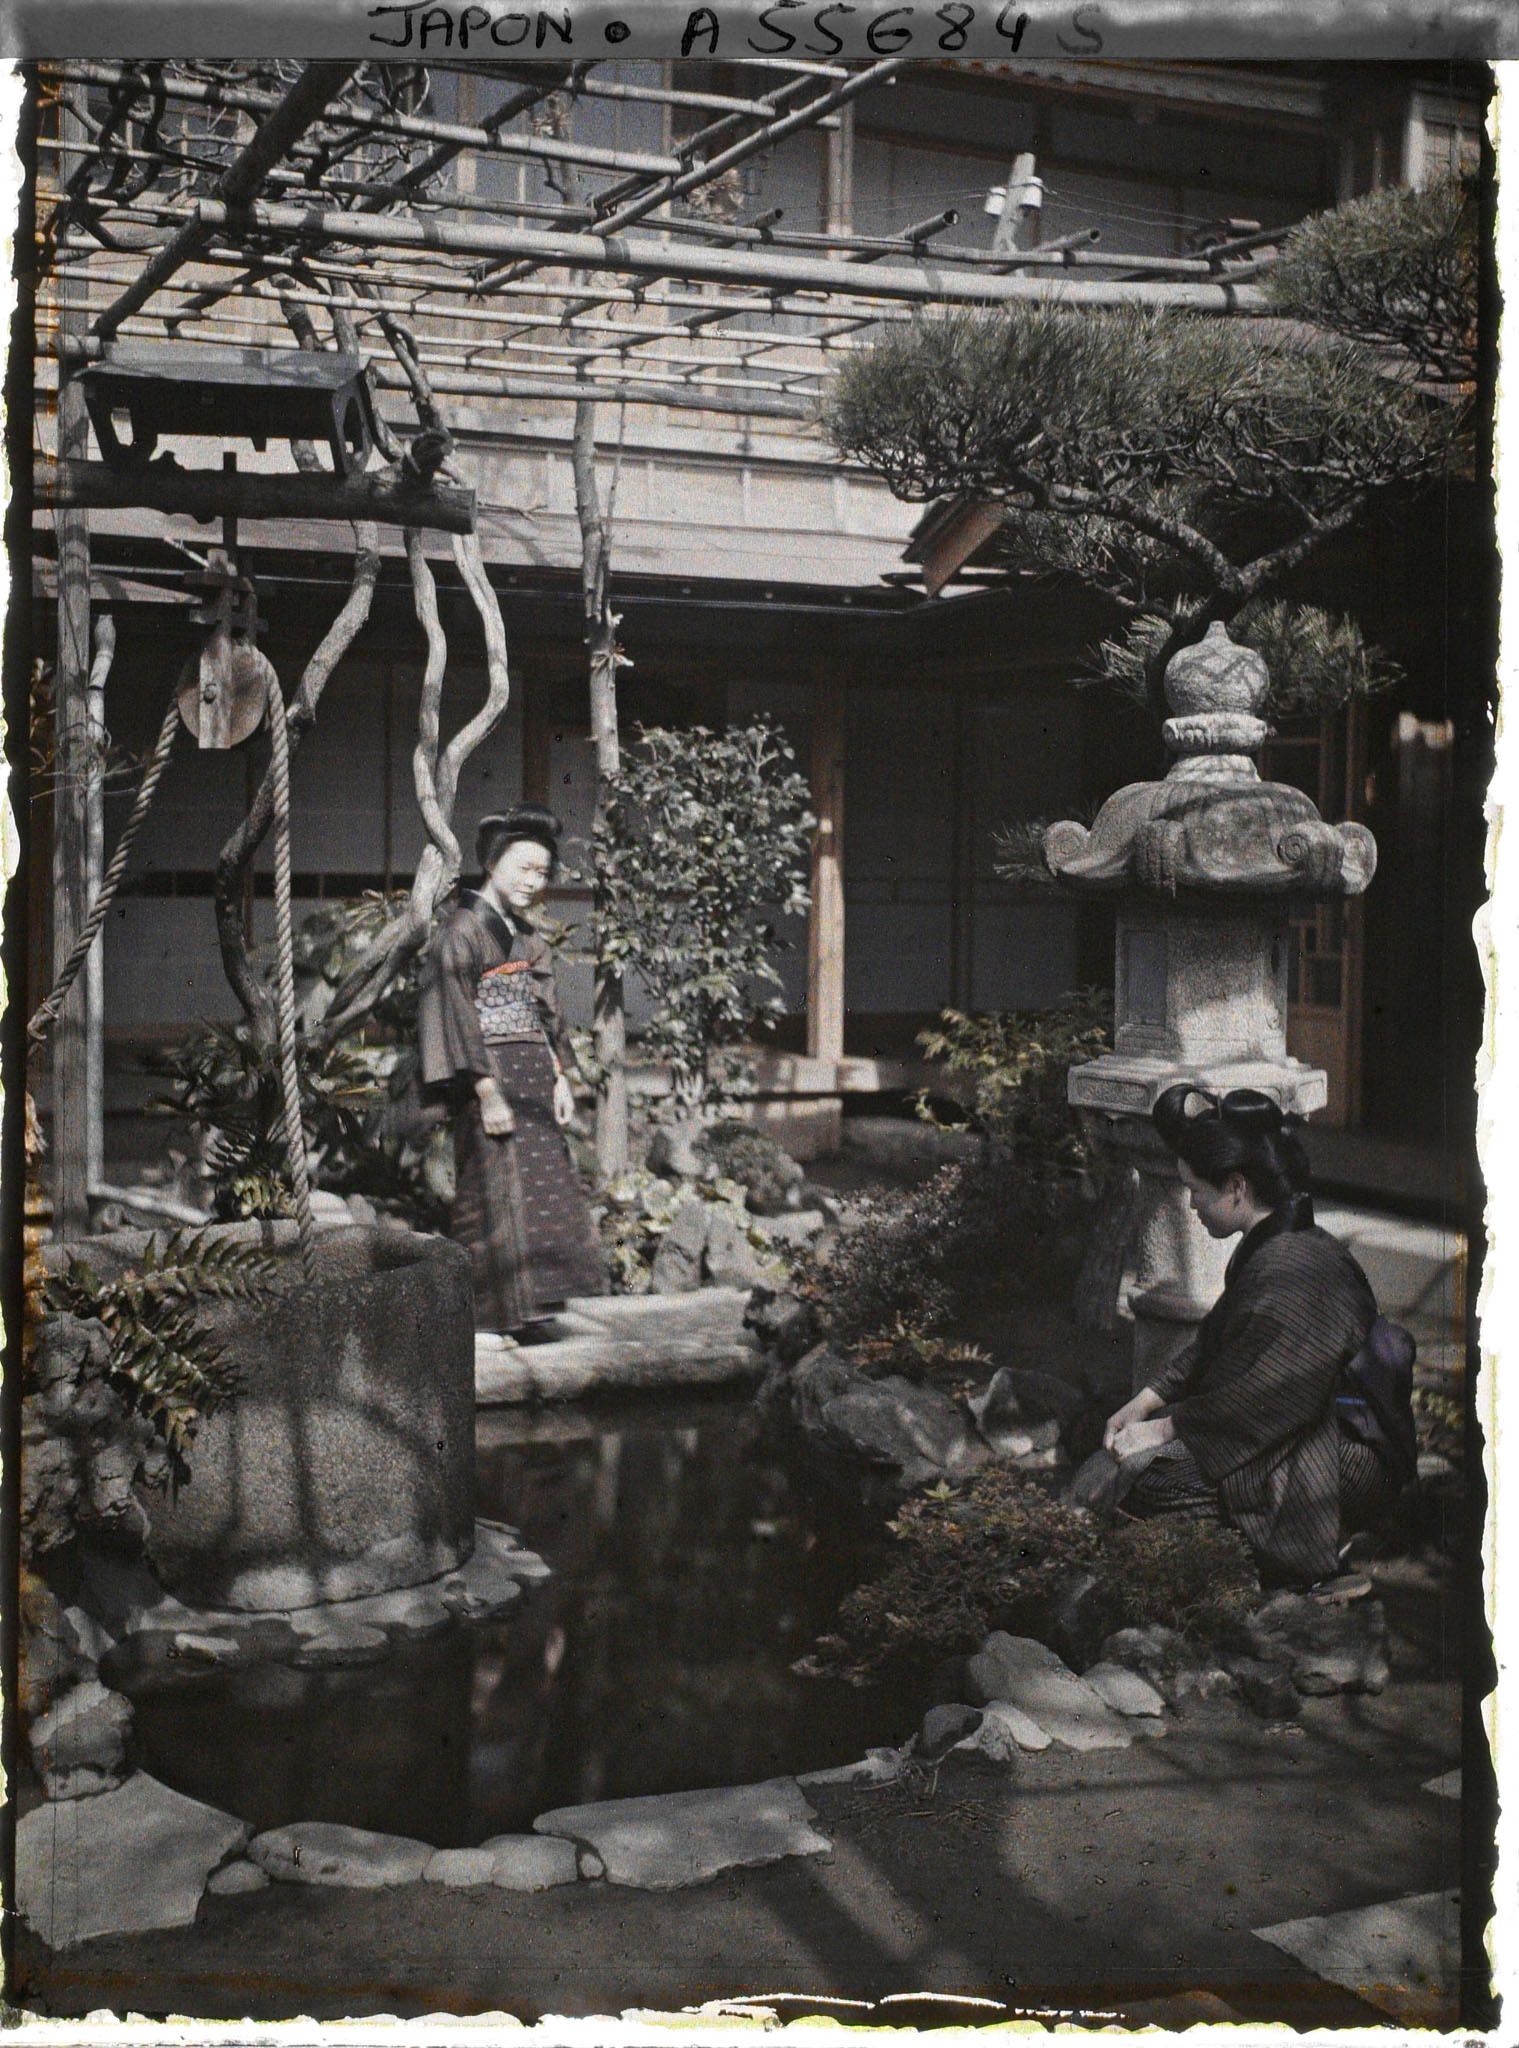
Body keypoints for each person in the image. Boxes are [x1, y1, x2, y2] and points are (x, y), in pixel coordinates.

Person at [1101, 1085, 1401, 1593]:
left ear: (1236, 1188)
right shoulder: (1274, 1246)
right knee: (1136, 1459)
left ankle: (1322, 1549)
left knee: (1149, 1479)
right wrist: (1145, 1401)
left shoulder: (1295, 1264)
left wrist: (1164, 1429)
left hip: (1340, 1454)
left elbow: (1265, 1397)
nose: (1191, 1205)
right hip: (1295, 1429)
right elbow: (1211, 1343)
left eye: (1196, 1190)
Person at [417, 805, 606, 1343]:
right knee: (491, 1193)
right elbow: (454, 1013)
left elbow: (547, 1012)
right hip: (490, 1074)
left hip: (533, 1075)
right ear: (492, 863)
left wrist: (561, 1075)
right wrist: (485, 1091)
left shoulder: (526, 938)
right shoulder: (459, 932)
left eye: (542, 872)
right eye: (523, 867)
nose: (533, 881)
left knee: (539, 1190)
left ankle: (530, 1310)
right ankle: (482, 1319)